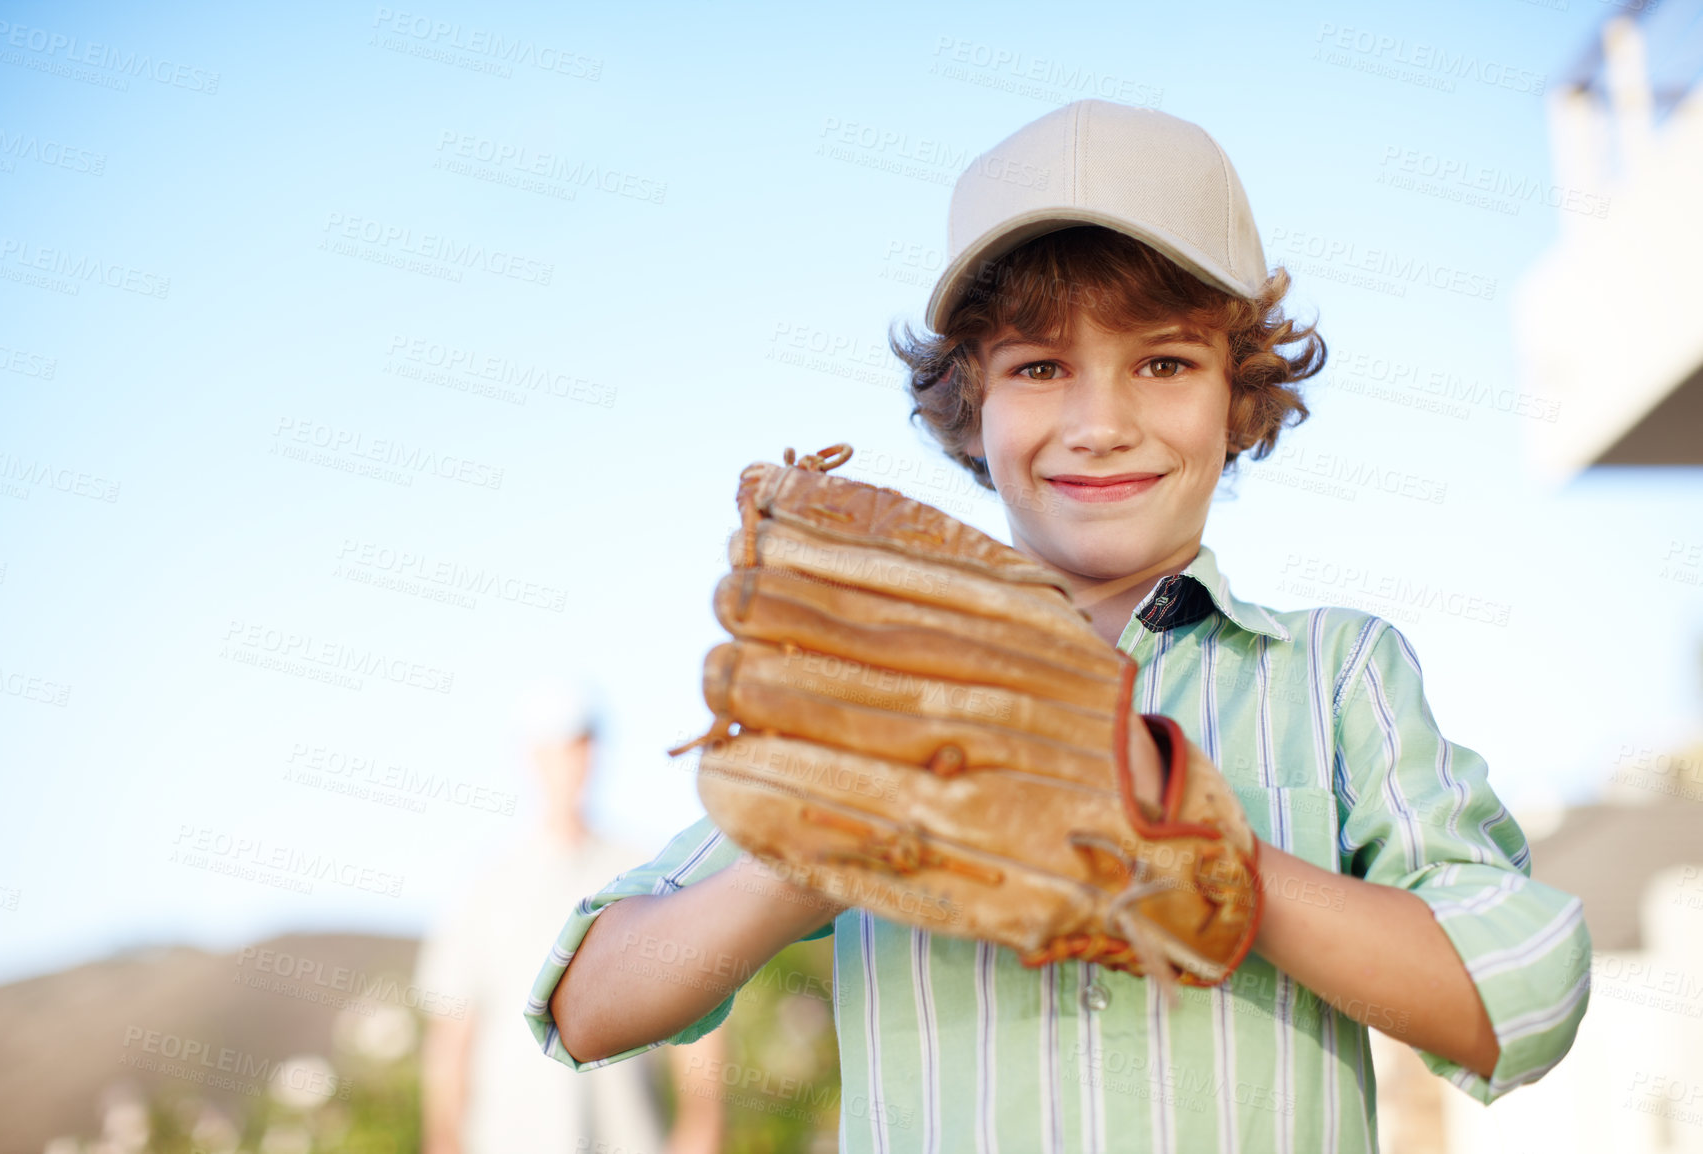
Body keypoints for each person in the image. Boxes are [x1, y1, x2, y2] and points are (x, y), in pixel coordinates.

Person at [524, 100, 1591, 1151]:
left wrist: (1191, 839)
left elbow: (1522, 998)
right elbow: (587, 1002)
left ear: (1237, 391)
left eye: (1164, 361)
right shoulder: (881, 682)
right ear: (968, 402)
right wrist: (840, 826)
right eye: (1039, 366)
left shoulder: (1333, 671)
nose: (1098, 422)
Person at [418, 677, 724, 1154]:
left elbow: (697, 1008)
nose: (568, 763)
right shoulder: (484, 887)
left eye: (579, 746)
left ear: (595, 753)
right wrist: (443, 1141)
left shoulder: (643, 872)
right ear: (529, 757)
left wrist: (700, 1128)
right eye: (554, 749)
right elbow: (452, 1032)